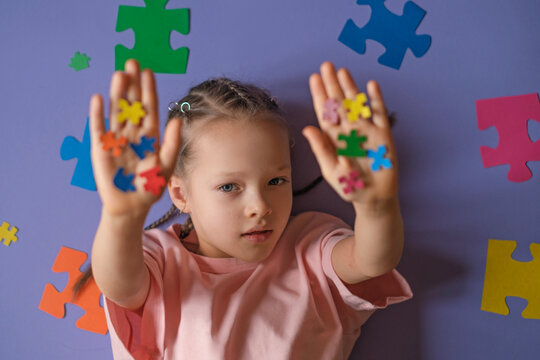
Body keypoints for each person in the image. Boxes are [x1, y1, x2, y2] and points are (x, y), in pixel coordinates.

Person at [86, 59, 412, 359]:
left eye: (276, 181)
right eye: (229, 187)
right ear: (179, 193)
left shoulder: (311, 247)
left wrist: (376, 207)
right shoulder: (158, 259)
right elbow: (118, 283)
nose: (260, 206)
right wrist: (121, 219)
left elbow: (372, 260)